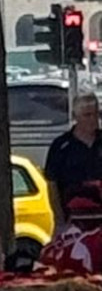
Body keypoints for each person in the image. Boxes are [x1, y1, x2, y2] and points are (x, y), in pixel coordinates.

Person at [43, 93, 102, 224]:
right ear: (76, 117)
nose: (93, 119)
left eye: (96, 114)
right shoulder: (61, 146)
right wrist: (59, 219)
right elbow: (52, 184)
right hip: (74, 218)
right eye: (87, 115)